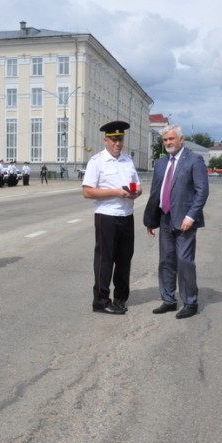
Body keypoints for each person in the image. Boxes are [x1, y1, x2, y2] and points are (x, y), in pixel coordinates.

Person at [143, 124, 209, 319]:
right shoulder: (161, 163)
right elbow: (156, 192)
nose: (168, 143)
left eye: (171, 139)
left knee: (184, 261)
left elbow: (202, 191)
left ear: (181, 140)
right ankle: (169, 300)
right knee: (166, 261)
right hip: (165, 218)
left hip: (184, 220)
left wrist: (191, 216)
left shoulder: (194, 160)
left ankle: (190, 302)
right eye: (165, 140)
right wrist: (150, 219)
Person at [82, 120, 142, 315]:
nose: (118, 143)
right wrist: (116, 192)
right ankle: (100, 300)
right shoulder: (97, 161)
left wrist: (136, 192)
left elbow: (138, 186)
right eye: (114, 140)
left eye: (120, 139)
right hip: (106, 216)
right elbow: (87, 192)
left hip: (127, 215)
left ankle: (120, 298)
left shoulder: (127, 160)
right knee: (105, 260)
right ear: (105, 140)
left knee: (125, 259)